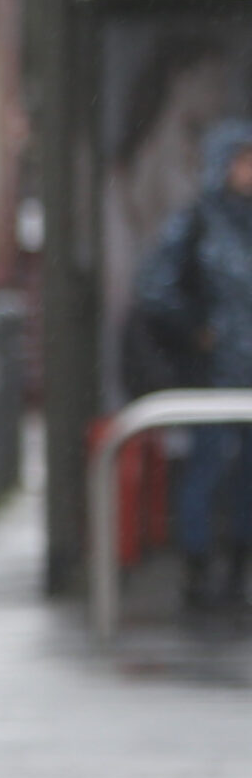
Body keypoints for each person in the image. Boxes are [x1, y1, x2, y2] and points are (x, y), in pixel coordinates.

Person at [133, 120, 252, 611]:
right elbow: (154, 288)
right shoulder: (199, 221)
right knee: (206, 468)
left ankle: (238, 572)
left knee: (247, 475)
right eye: (243, 161)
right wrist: (196, 330)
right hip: (213, 375)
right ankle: (199, 569)